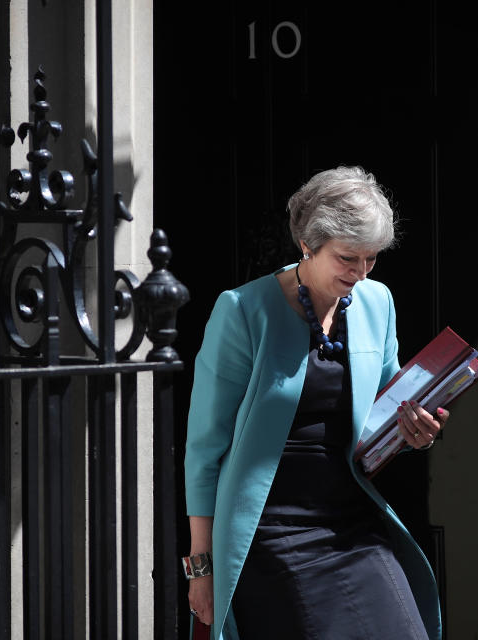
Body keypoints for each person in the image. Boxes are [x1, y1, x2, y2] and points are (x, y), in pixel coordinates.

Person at [183, 166, 447, 640]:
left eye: (371, 259)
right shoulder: (242, 311)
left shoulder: (377, 302)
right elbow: (205, 448)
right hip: (271, 532)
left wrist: (412, 433)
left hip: (353, 523)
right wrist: (201, 568)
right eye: (347, 258)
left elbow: (383, 417)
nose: (360, 273)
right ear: (307, 243)